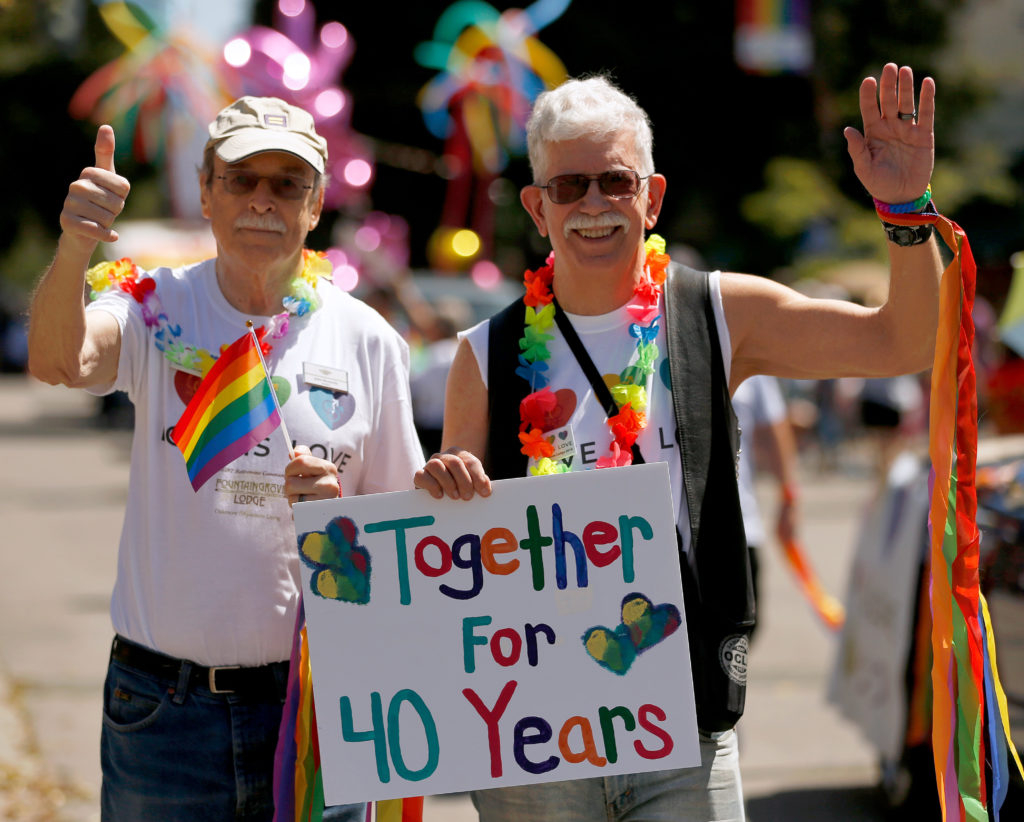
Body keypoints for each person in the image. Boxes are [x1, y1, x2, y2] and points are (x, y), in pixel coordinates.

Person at [414, 63, 941, 821]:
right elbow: (460, 531)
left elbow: (901, 340)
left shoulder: (717, 312)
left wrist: (904, 205)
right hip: (536, 737)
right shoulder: (484, 354)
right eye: (569, 188)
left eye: (616, 182)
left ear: (652, 197)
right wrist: (447, 487)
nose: (594, 204)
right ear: (537, 207)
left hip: (681, 725)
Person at [27, 97, 425, 821]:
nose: (262, 201)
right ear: (207, 190)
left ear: (316, 205)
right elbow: (58, 360)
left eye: (287, 184)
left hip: (318, 709)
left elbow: (405, 548)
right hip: (164, 716)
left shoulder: (368, 341)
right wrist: (77, 243)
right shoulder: (151, 307)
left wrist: (335, 520)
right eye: (242, 179)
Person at [731, 374, 800, 641]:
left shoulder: (741, 340)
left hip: (738, 520)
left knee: (743, 629)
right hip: (668, 526)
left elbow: (775, 428)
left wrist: (788, 497)